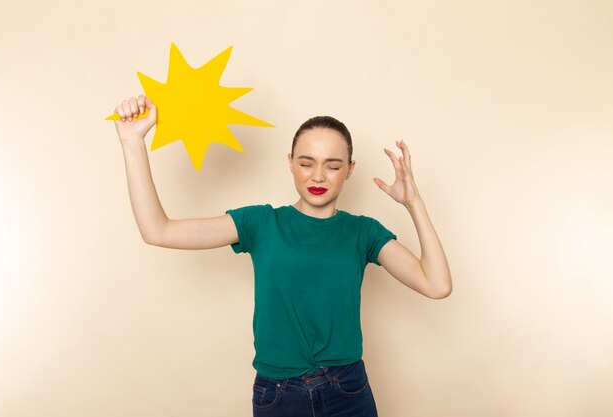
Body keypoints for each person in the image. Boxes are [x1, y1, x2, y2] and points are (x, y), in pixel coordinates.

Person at [113, 94, 452, 417]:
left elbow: (436, 285)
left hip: (348, 391)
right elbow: (158, 230)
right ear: (290, 163)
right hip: (278, 396)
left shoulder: (364, 232)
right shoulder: (260, 222)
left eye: (332, 166)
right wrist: (133, 144)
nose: (318, 176)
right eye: (307, 163)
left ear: (350, 169)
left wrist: (414, 203)